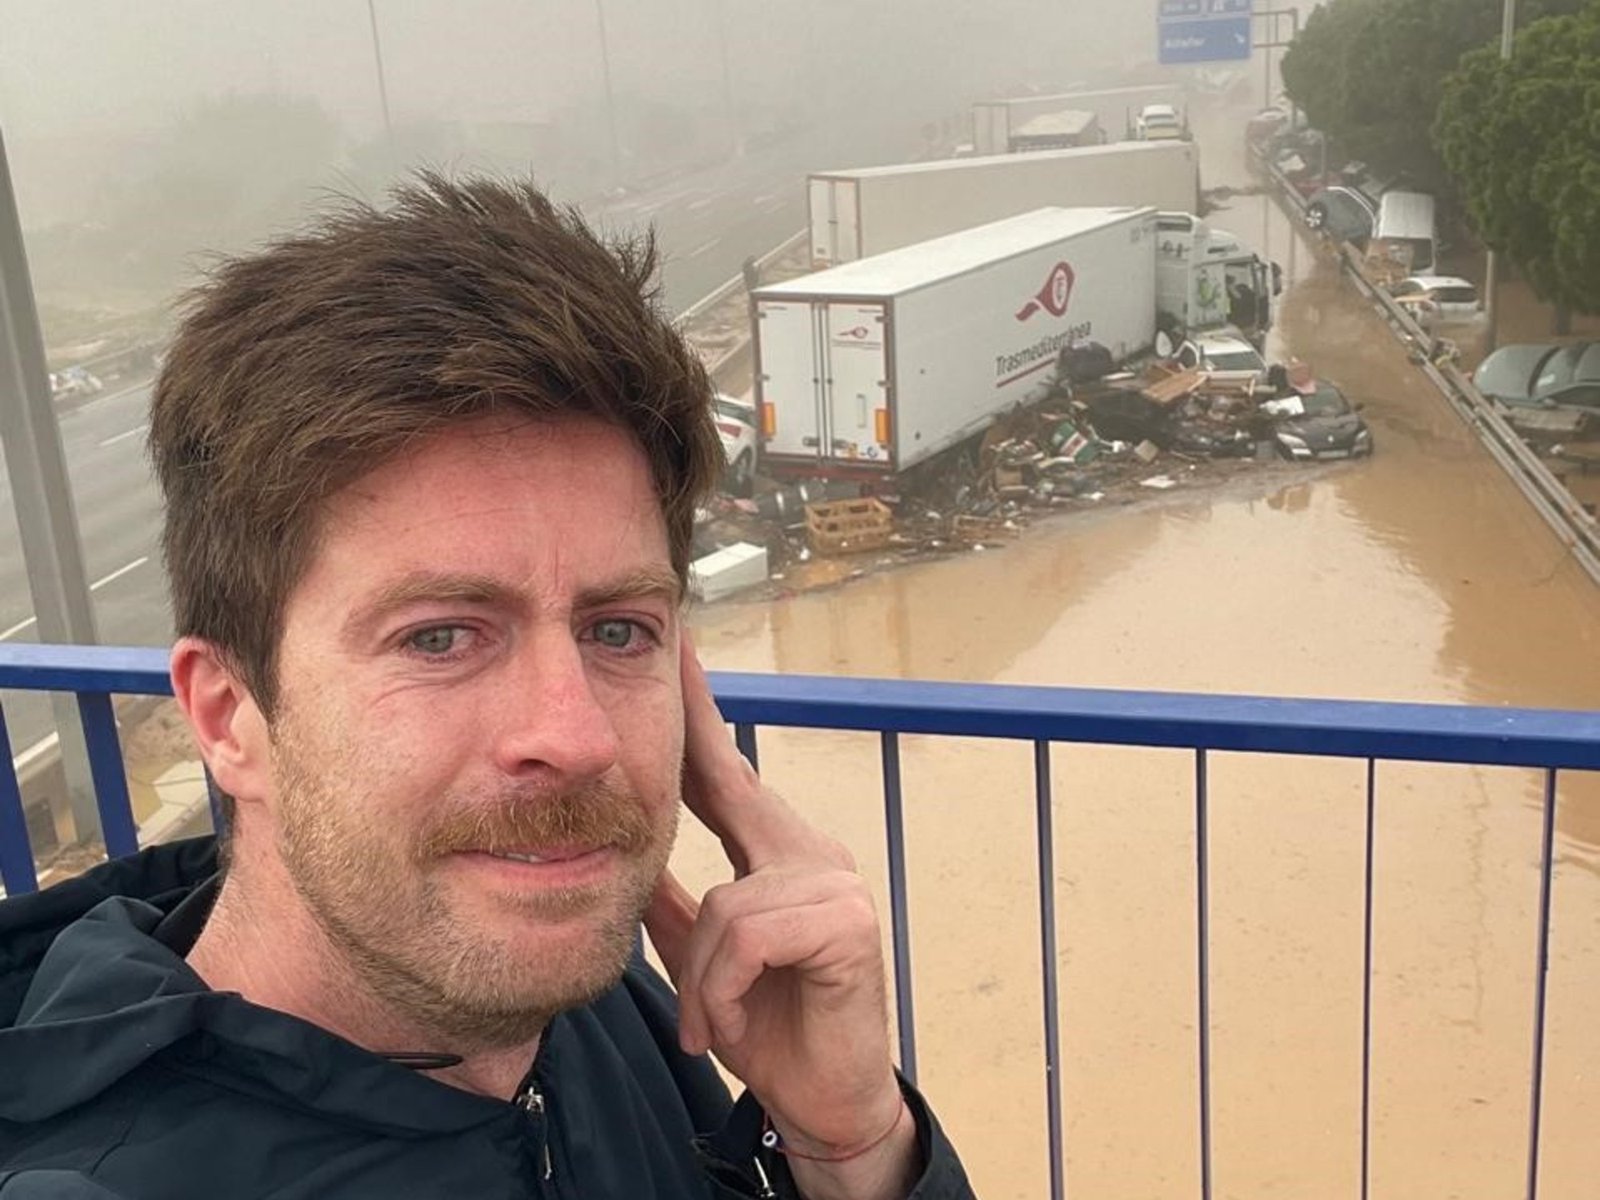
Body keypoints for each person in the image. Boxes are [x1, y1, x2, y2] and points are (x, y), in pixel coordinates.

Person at [0, 175, 973, 1200]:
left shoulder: (593, 998)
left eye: (615, 629)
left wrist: (852, 1148)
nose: (577, 733)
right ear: (229, 717)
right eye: (440, 637)